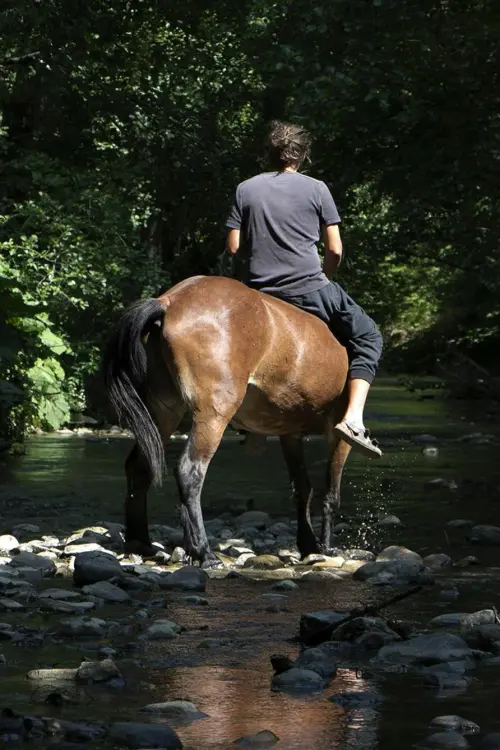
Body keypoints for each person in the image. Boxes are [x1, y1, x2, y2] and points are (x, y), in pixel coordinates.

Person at [224, 120, 383, 458]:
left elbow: (234, 247)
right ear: (303, 155)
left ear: (269, 154)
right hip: (308, 287)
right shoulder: (317, 189)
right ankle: (353, 419)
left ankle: (247, 422)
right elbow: (335, 249)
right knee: (369, 336)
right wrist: (324, 278)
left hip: (259, 292)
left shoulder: (245, 189)